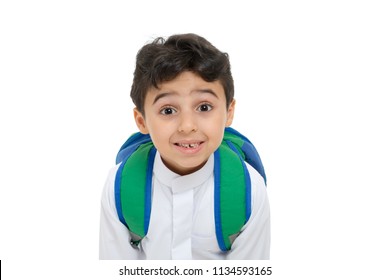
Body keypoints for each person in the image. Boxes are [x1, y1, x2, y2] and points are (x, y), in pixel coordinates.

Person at [99, 33, 270, 260]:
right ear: (142, 121)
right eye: (168, 110)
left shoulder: (249, 190)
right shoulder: (119, 186)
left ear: (229, 113)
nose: (187, 126)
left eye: (204, 107)